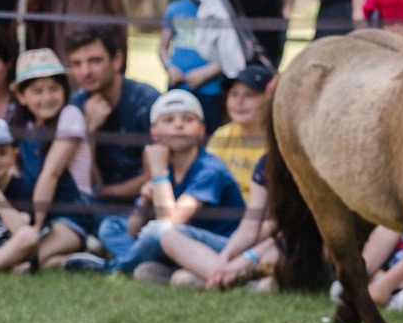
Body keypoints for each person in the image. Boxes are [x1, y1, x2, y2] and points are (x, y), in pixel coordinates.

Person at [65, 89, 245, 282]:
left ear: (202, 130)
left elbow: (171, 223)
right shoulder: (168, 165)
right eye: (168, 120)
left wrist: (158, 173)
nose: (179, 125)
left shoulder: (210, 169)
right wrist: (143, 202)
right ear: (154, 133)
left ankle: (114, 268)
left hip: (223, 245)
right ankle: (161, 266)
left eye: (188, 119)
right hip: (180, 241)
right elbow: (131, 230)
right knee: (111, 226)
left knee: (157, 231)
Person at [6, 48, 96, 268]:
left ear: (64, 91)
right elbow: (13, 176)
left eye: (53, 89)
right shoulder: (21, 126)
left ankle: (79, 242)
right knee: (47, 263)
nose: (47, 97)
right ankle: (82, 255)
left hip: (72, 213)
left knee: (29, 257)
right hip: (33, 211)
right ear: (21, 96)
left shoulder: (70, 116)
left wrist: (35, 229)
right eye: (37, 91)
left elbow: (51, 174)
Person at [64, 26, 160, 215]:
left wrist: (103, 192)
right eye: (76, 64)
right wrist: (89, 131)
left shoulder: (146, 101)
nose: (85, 71)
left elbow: (155, 175)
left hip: (146, 200)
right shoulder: (76, 104)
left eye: (95, 61)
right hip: (95, 201)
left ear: (117, 60)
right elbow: (82, 178)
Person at [158, 0, 251, 134]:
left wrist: (207, 73)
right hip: (177, 87)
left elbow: (233, 52)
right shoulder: (175, 8)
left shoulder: (224, 9)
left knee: (207, 136)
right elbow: (162, 47)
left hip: (210, 91)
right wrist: (169, 67)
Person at [161, 153, 277, 292]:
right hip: (240, 244)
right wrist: (223, 260)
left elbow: (286, 232)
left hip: (282, 245)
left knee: (276, 251)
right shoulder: (266, 163)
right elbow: (248, 229)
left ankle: (204, 278)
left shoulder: (210, 168)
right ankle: (242, 282)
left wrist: (248, 257)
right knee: (168, 236)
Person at [206, 63, 272, 199]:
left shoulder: (277, 141)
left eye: (249, 95)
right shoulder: (222, 135)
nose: (239, 101)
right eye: (233, 94)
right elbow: (209, 179)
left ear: (269, 99)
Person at [0, 119, 37, 270]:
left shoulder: (23, 189)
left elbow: (21, 231)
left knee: (29, 235)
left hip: (9, 249)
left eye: (2, 153)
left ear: (14, 156)